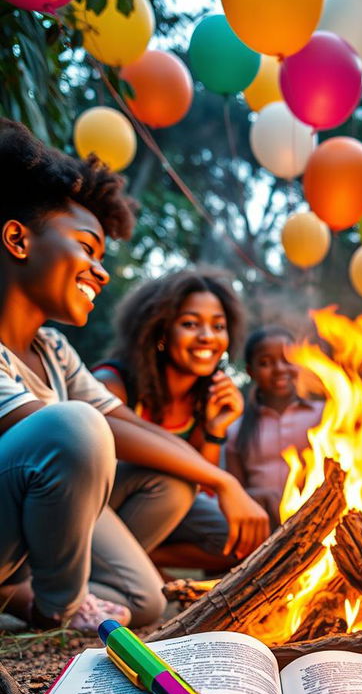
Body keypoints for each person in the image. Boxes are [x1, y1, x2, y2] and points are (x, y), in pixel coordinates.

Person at [0, 118, 269, 632]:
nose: (100, 270)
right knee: (73, 428)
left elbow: (122, 423)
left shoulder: (53, 349)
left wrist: (218, 472)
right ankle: (52, 605)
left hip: (41, 530)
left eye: (102, 255)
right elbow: (72, 435)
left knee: (143, 601)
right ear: (18, 239)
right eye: (86, 247)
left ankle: (27, 599)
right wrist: (222, 478)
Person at [94, 268, 247, 570]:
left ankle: (140, 562)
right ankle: (106, 566)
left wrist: (215, 430)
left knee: (244, 540)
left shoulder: (205, 399)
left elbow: (199, 491)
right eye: (190, 324)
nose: (207, 337)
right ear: (161, 331)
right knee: (174, 485)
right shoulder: (113, 383)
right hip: (96, 513)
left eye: (218, 326)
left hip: (161, 516)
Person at [226, 327, 324, 528]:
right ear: (250, 372)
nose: (279, 368)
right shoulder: (235, 429)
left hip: (317, 523)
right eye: (265, 363)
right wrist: (254, 496)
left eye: (287, 359)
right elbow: (234, 492)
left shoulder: (325, 417)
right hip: (261, 529)